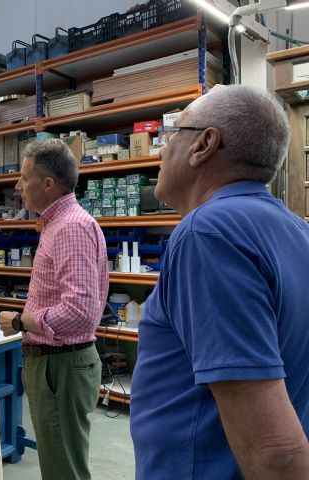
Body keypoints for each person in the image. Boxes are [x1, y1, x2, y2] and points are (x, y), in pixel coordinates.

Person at [130, 85, 309, 479]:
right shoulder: (298, 230)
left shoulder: (208, 233)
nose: (161, 149)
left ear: (204, 144)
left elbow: (275, 451)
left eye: (173, 133)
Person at [0, 139, 108, 480]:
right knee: (60, 464)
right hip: (54, 364)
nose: (18, 186)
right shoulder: (57, 226)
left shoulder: (71, 227)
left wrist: (21, 319)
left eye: (24, 177)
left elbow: (80, 311)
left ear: (48, 184)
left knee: (64, 471)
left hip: (60, 366)